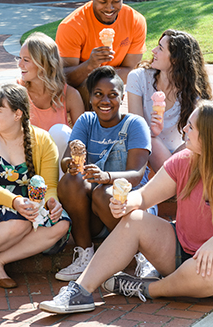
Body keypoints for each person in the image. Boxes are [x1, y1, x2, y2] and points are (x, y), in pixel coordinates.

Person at [39, 100, 213, 314]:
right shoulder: (184, 161)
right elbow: (143, 197)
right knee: (135, 220)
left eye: (191, 127)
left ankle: (151, 289)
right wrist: (124, 203)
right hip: (182, 250)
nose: (184, 130)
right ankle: (79, 291)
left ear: (211, 138)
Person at [0, 84, 71, 289]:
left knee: (61, 224)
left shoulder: (43, 140)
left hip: (29, 208)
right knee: (21, 221)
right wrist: (15, 201)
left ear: (18, 114)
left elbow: (49, 185)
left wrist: (52, 202)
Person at [55, 66, 151, 282]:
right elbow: (66, 160)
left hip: (130, 210)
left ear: (122, 97)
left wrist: (105, 176)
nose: (105, 101)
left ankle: (142, 254)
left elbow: (136, 174)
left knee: (104, 192)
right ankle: (85, 254)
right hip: (96, 216)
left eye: (112, 95)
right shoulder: (86, 121)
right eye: (98, 94)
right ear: (90, 98)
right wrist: (71, 164)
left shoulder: (135, 124)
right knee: (71, 181)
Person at [55, 0, 147, 106]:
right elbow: (63, 77)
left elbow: (131, 70)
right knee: (89, 87)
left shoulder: (135, 21)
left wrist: (101, 77)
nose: (110, 8)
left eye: (116, 1)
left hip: (116, 88)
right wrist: (89, 65)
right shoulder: (71, 26)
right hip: (80, 93)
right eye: (102, 1)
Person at [127, 29, 212, 173]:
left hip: (182, 150)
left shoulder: (194, 90)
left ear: (175, 59)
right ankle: (172, 182)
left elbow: (195, 136)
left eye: (160, 48)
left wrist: (172, 158)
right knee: (151, 139)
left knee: (201, 143)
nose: (153, 51)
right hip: (147, 146)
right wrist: (153, 132)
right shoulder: (138, 78)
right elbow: (137, 128)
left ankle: (169, 181)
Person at [17, 32, 85, 161]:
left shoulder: (70, 95)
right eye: (19, 58)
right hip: (26, 163)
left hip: (60, 165)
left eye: (26, 60)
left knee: (59, 131)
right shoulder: (17, 92)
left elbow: (81, 140)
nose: (20, 64)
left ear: (44, 64)